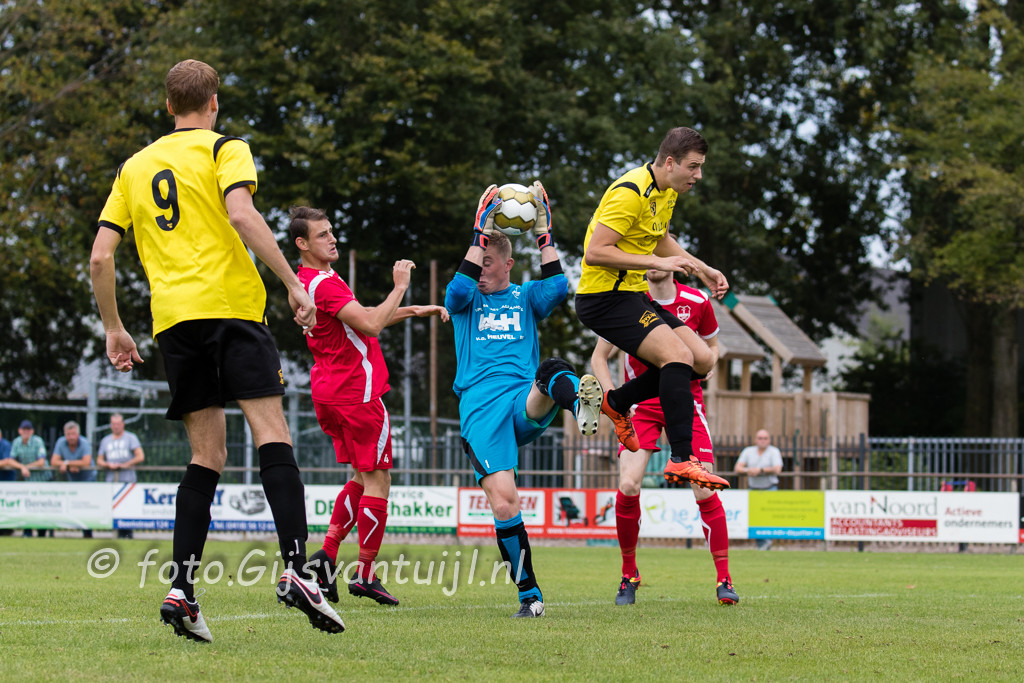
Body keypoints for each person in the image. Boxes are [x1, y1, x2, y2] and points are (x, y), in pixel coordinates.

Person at [89, 59, 343, 642]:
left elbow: (101, 256)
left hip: (173, 322)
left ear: (168, 105)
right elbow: (240, 213)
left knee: (205, 456)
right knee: (272, 432)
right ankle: (297, 569)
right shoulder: (227, 148)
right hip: (231, 309)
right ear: (214, 102)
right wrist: (292, 282)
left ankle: (181, 589)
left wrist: (114, 328)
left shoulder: (134, 167)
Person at [444, 182, 604, 618]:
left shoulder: (525, 296)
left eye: (487, 262)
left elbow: (558, 288)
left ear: (508, 264)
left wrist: (544, 235)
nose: (479, 270)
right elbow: (454, 292)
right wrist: (479, 235)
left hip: (522, 397)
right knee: (504, 504)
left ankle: (579, 406)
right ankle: (529, 596)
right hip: (480, 408)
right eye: (477, 260)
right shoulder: (466, 299)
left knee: (550, 369)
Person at [288, 206, 450, 608]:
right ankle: (364, 574)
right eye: (322, 235)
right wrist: (400, 288)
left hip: (330, 390)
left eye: (331, 232)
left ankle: (326, 556)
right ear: (302, 243)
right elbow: (371, 325)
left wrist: (413, 310)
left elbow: (358, 320)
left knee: (362, 477)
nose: (332, 239)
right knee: (379, 481)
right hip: (357, 393)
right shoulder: (324, 284)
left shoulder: (306, 280)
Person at [575, 126, 731, 491]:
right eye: (693, 166)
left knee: (702, 360)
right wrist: (653, 263)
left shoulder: (667, 192)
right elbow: (595, 253)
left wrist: (703, 269)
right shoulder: (630, 192)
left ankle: (617, 401)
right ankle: (682, 459)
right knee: (678, 357)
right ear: (671, 162)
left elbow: (660, 239)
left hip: (631, 295)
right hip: (603, 298)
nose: (698, 175)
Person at [591, 269, 738, 606]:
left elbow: (713, 347)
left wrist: (710, 362)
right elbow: (599, 356)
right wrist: (613, 399)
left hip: (686, 402)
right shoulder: (628, 300)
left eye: (658, 252)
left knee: (704, 487)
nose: (653, 261)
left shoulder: (697, 300)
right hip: (641, 405)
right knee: (628, 484)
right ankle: (629, 574)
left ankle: (724, 579)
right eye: (648, 255)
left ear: (673, 260)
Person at [97, 413, 146, 538]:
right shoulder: (106, 440)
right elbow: (99, 460)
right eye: (113, 424)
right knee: (113, 509)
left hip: (128, 480)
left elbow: (140, 456)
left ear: (123, 424)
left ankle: (128, 534)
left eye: (118, 424)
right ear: (110, 425)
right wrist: (108, 465)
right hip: (111, 481)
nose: (116, 426)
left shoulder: (131, 438)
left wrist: (125, 465)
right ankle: (115, 533)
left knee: (128, 509)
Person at [734, 429, 784, 549]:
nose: (762, 441)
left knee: (768, 516)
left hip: (769, 488)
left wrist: (760, 470)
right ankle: (761, 543)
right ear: (756, 440)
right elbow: (737, 468)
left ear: (769, 440)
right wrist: (748, 470)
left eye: (765, 438)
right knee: (755, 517)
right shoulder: (748, 451)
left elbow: (777, 469)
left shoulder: (774, 451)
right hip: (753, 489)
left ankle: (767, 541)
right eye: (760, 438)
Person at [50, 420, 96, 537]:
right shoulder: (61, 442)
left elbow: (86, 462)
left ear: (78, 434)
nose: (71, 437)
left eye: (73, 434)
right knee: (75, 506)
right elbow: (54, 461)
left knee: (87, 507)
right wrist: (70, 465)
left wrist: (67, 463)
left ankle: (88, 533)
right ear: (65, 434)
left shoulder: (84, 443)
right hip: (73, 480)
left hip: (88, 479)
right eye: (68, 434)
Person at [9, 420, 51, 537]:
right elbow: (10, 460)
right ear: (19, 430)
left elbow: (41, 462)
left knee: (42, 506)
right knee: (27, 505)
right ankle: (27, 532)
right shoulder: (17, 442)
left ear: (32, 431)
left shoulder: (38, 441)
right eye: (24, 429)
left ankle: (42, 533)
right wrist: (22, 467)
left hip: (43, 479)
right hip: (29, 481)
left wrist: (26, 467)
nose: (26, 432)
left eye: (28, 429)